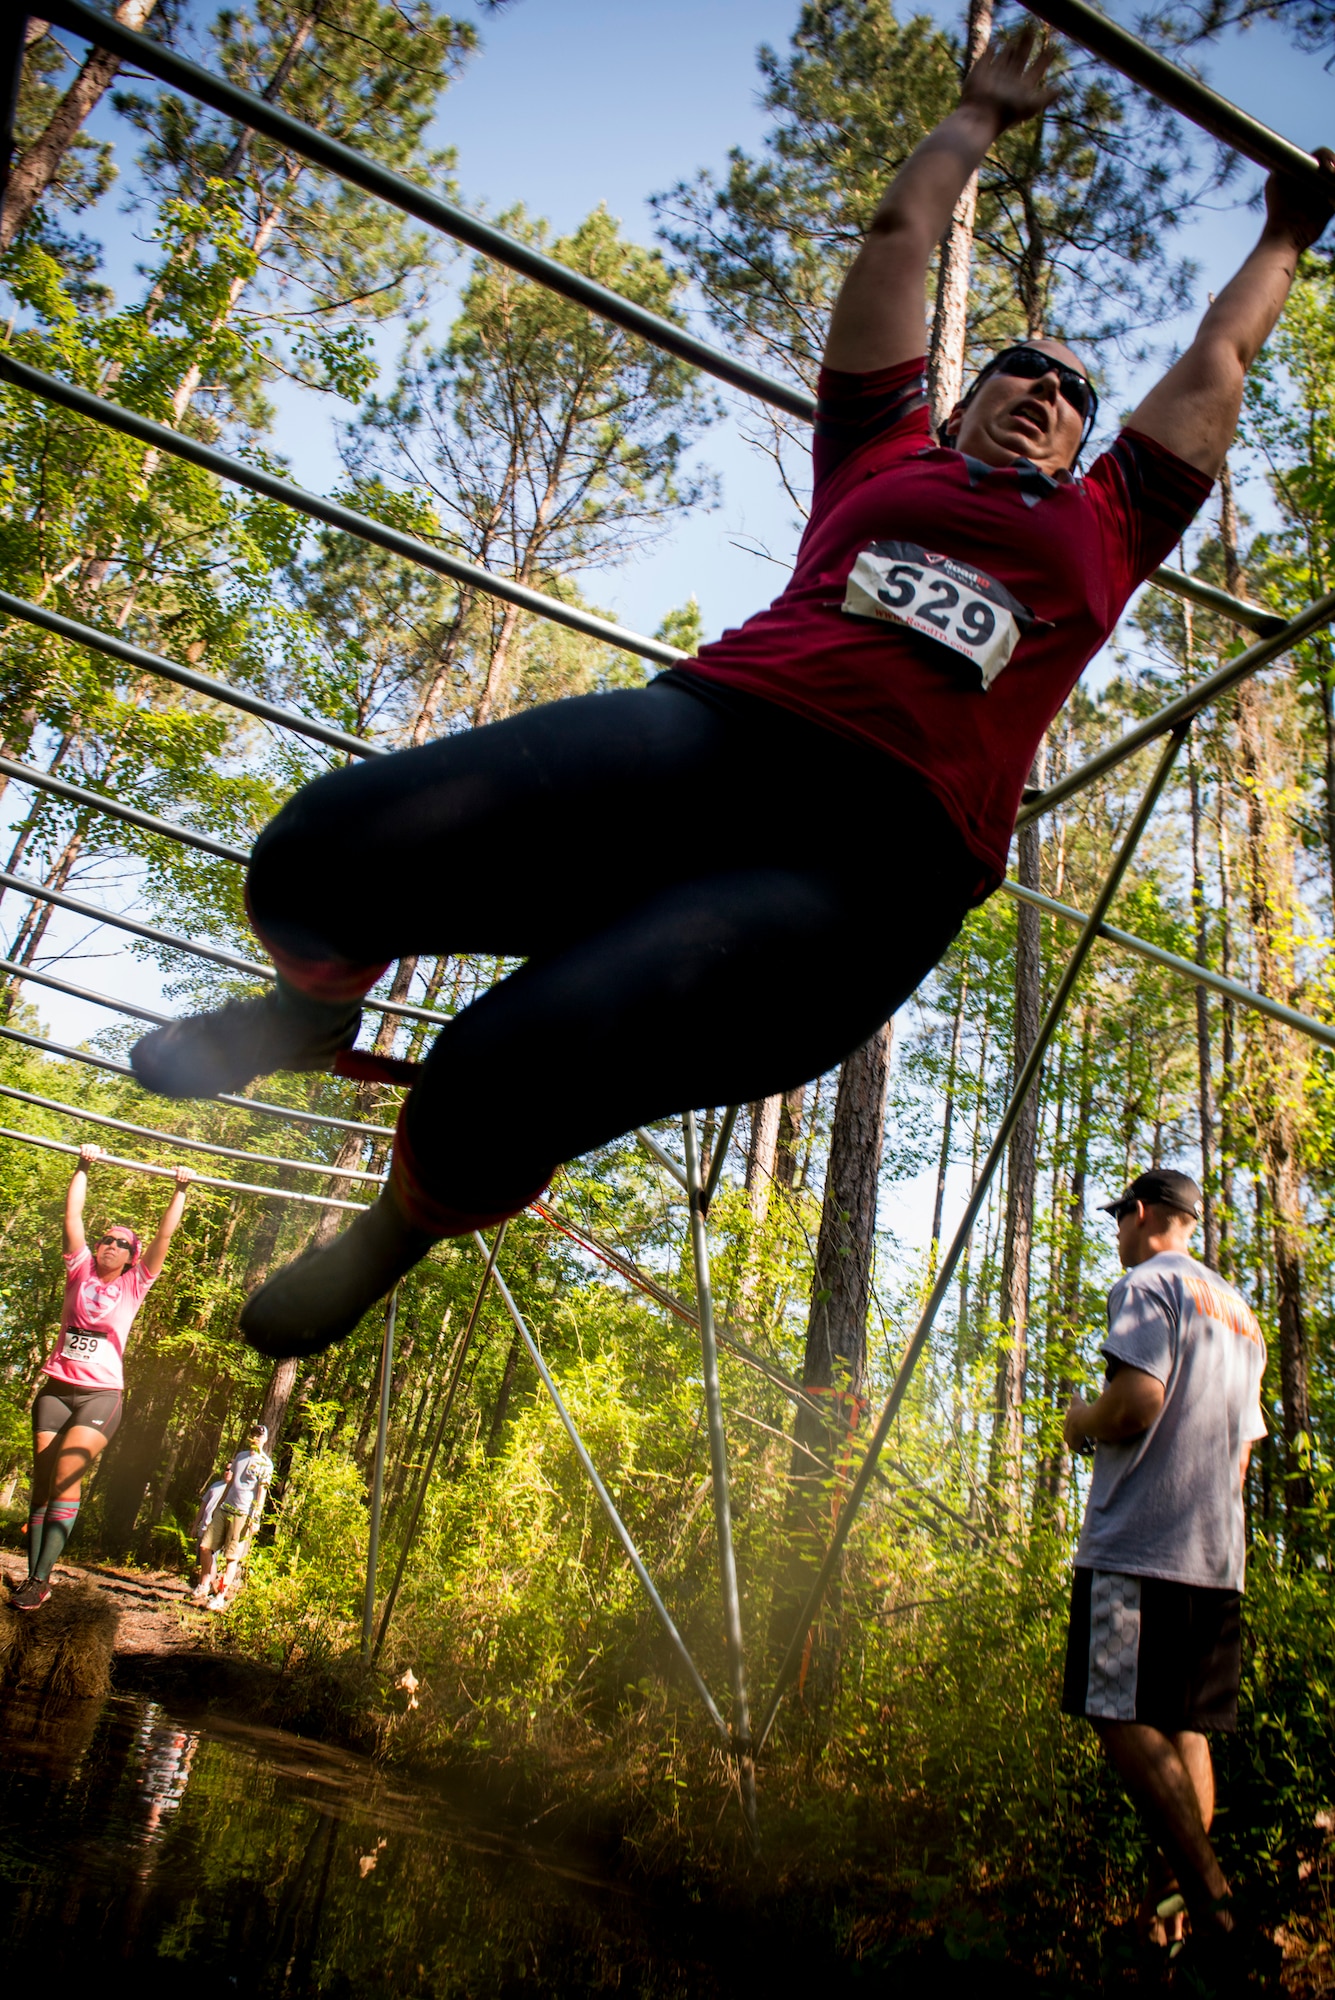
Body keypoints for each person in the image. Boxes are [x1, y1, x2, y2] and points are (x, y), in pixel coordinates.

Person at [126, 33, 1335, 1359]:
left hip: (872, 870)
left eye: (1071, 393)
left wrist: (1283, 234)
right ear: (958, 401)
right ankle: (306, 1012)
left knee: (500, 1074)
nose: (1046, 390)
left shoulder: (1107, 524)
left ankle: (387, 1236)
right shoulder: (879, 451)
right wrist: (973, 114)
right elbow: (890, 240)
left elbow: (1214, 365)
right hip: (716, 738)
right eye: (1019, 370)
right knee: (321, 855)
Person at [1061, 1170, 1273, 1986]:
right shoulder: (1241, 1314)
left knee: (1112, 1713)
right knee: (1182, 1728)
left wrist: (1082, 1422)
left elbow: (1136, 1402)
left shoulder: (1144, 1284)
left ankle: (1215, 1911)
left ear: (1143, 1215)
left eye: (1119, 1218)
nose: (1115, 1232)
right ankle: (1171, 1935)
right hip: (1213, 1556)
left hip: (1137, 1551)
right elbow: (1244, 1446)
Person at [8, 1146, 192, 1611]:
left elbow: (164, 1240)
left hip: (100, 1396)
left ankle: (40, 1579)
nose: (111, 1245)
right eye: (106, 1239)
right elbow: (73, 1214)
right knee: (45, 1479)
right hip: (55, 1390)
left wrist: (180, 1189)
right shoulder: (79, 1270)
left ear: (132, 1257)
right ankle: (34, 1573)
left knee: (68, 1474)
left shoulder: (134, 1283)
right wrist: (83, 1165)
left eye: (121, 1244)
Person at [191, 1422, 273, 1609]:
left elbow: (262, 1492)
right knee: (204, 1546)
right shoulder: (240, 1457)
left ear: (265, 1439)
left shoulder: (265, 1463)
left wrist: (256, 1517)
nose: (256, 1438)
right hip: (225, 1508)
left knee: (231, 1557)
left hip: (243, 1513)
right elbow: (230, 1483)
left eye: (259, 1436)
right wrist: (219, 1504)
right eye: (253, 1434)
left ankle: (220, 1596)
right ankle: (205, 1584)